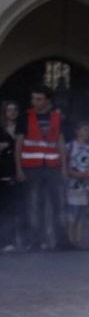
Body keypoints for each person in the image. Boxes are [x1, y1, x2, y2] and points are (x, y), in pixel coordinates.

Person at [14, 85, 72, 250]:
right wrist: (18, 168)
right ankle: (36, 241)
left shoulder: (57, 118)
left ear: (47, 100)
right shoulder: (24, 118)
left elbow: (60, 142)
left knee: (59, 203)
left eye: (39, 99)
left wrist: (64, 167)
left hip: (53, 166)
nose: (35, 102)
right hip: (31, 167)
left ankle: (61, 241)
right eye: (33, 98)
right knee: (33, 204)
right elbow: (18, 144)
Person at [65, 121, 89, 247]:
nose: (87, 133)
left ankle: (78, 239)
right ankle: (70, 238)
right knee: (72, 212)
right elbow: (65, 163)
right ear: (77, 131)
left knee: (82, 212)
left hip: (85, 183)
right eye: (85, 130)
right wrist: (74, 173)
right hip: (72, 183)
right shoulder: (70, 146)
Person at [0, 100, 23, 251]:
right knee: (4, 208)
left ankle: (19, 239)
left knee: (19, 207)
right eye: (9, 110)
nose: (12, 113)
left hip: (20, 172)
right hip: (3, 172)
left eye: (15, 110)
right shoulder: (0, 130)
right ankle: (5, 241)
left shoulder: (22, 130)